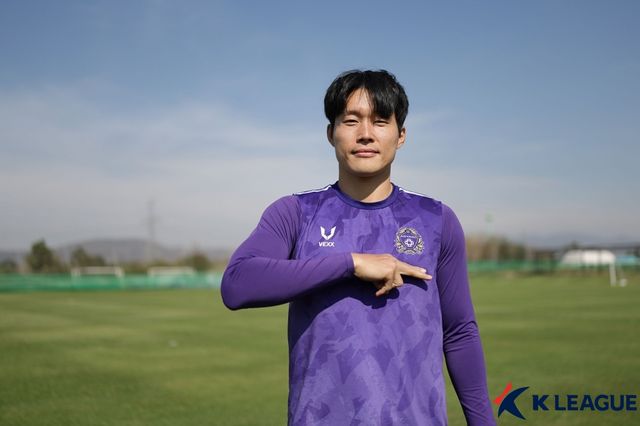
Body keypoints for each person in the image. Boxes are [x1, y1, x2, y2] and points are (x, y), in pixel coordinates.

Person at [221, 69, 495, 425]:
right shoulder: (296, 212)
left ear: (401, 135)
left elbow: (459, 332)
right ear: (330, 133)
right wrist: (350, 263)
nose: (365, 133)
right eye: (350, 121)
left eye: (380, 121)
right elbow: (237, 284)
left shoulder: (436, 219)